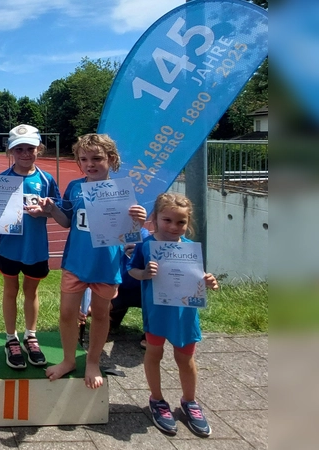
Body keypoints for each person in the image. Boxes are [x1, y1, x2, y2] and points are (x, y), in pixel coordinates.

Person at [40, 133, 147, 388]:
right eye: (84, 159)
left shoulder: (121, 192)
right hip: (75, 263)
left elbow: (129, 231)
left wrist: (138, 219)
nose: (90, 163)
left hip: (106, 265)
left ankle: (92, 361)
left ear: (111, 159)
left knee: (101, 314)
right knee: (67, 313)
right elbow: (67, 221)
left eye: (97, 158)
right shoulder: (75, 187)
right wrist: (52, 210)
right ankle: (68, 360)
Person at [128, 193, 219, 437]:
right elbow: (132, 270)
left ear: (188, 223)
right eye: (167, 220)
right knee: (154, 353)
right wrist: (145, 273)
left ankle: (189, 402)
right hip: (157, 314)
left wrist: (209, 280)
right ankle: (157, 400)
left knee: (186, 359)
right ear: (155, 219)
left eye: (181, 222)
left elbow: (198, 276)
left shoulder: (190, 248)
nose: (174, 227)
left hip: (185, 315)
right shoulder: (146, 245)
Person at [0, 125, 61, 370]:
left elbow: (57, 211)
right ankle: (10, 338)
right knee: (10, 290)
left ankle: (31, 335)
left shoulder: (46, 180)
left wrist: (46, 211)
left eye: (31, 148)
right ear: (11, 151)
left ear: (38, 149)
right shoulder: (2, 180)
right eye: (20, 149)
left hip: (35, 248)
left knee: (32, 292)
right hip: (9, 247)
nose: (26, 154)